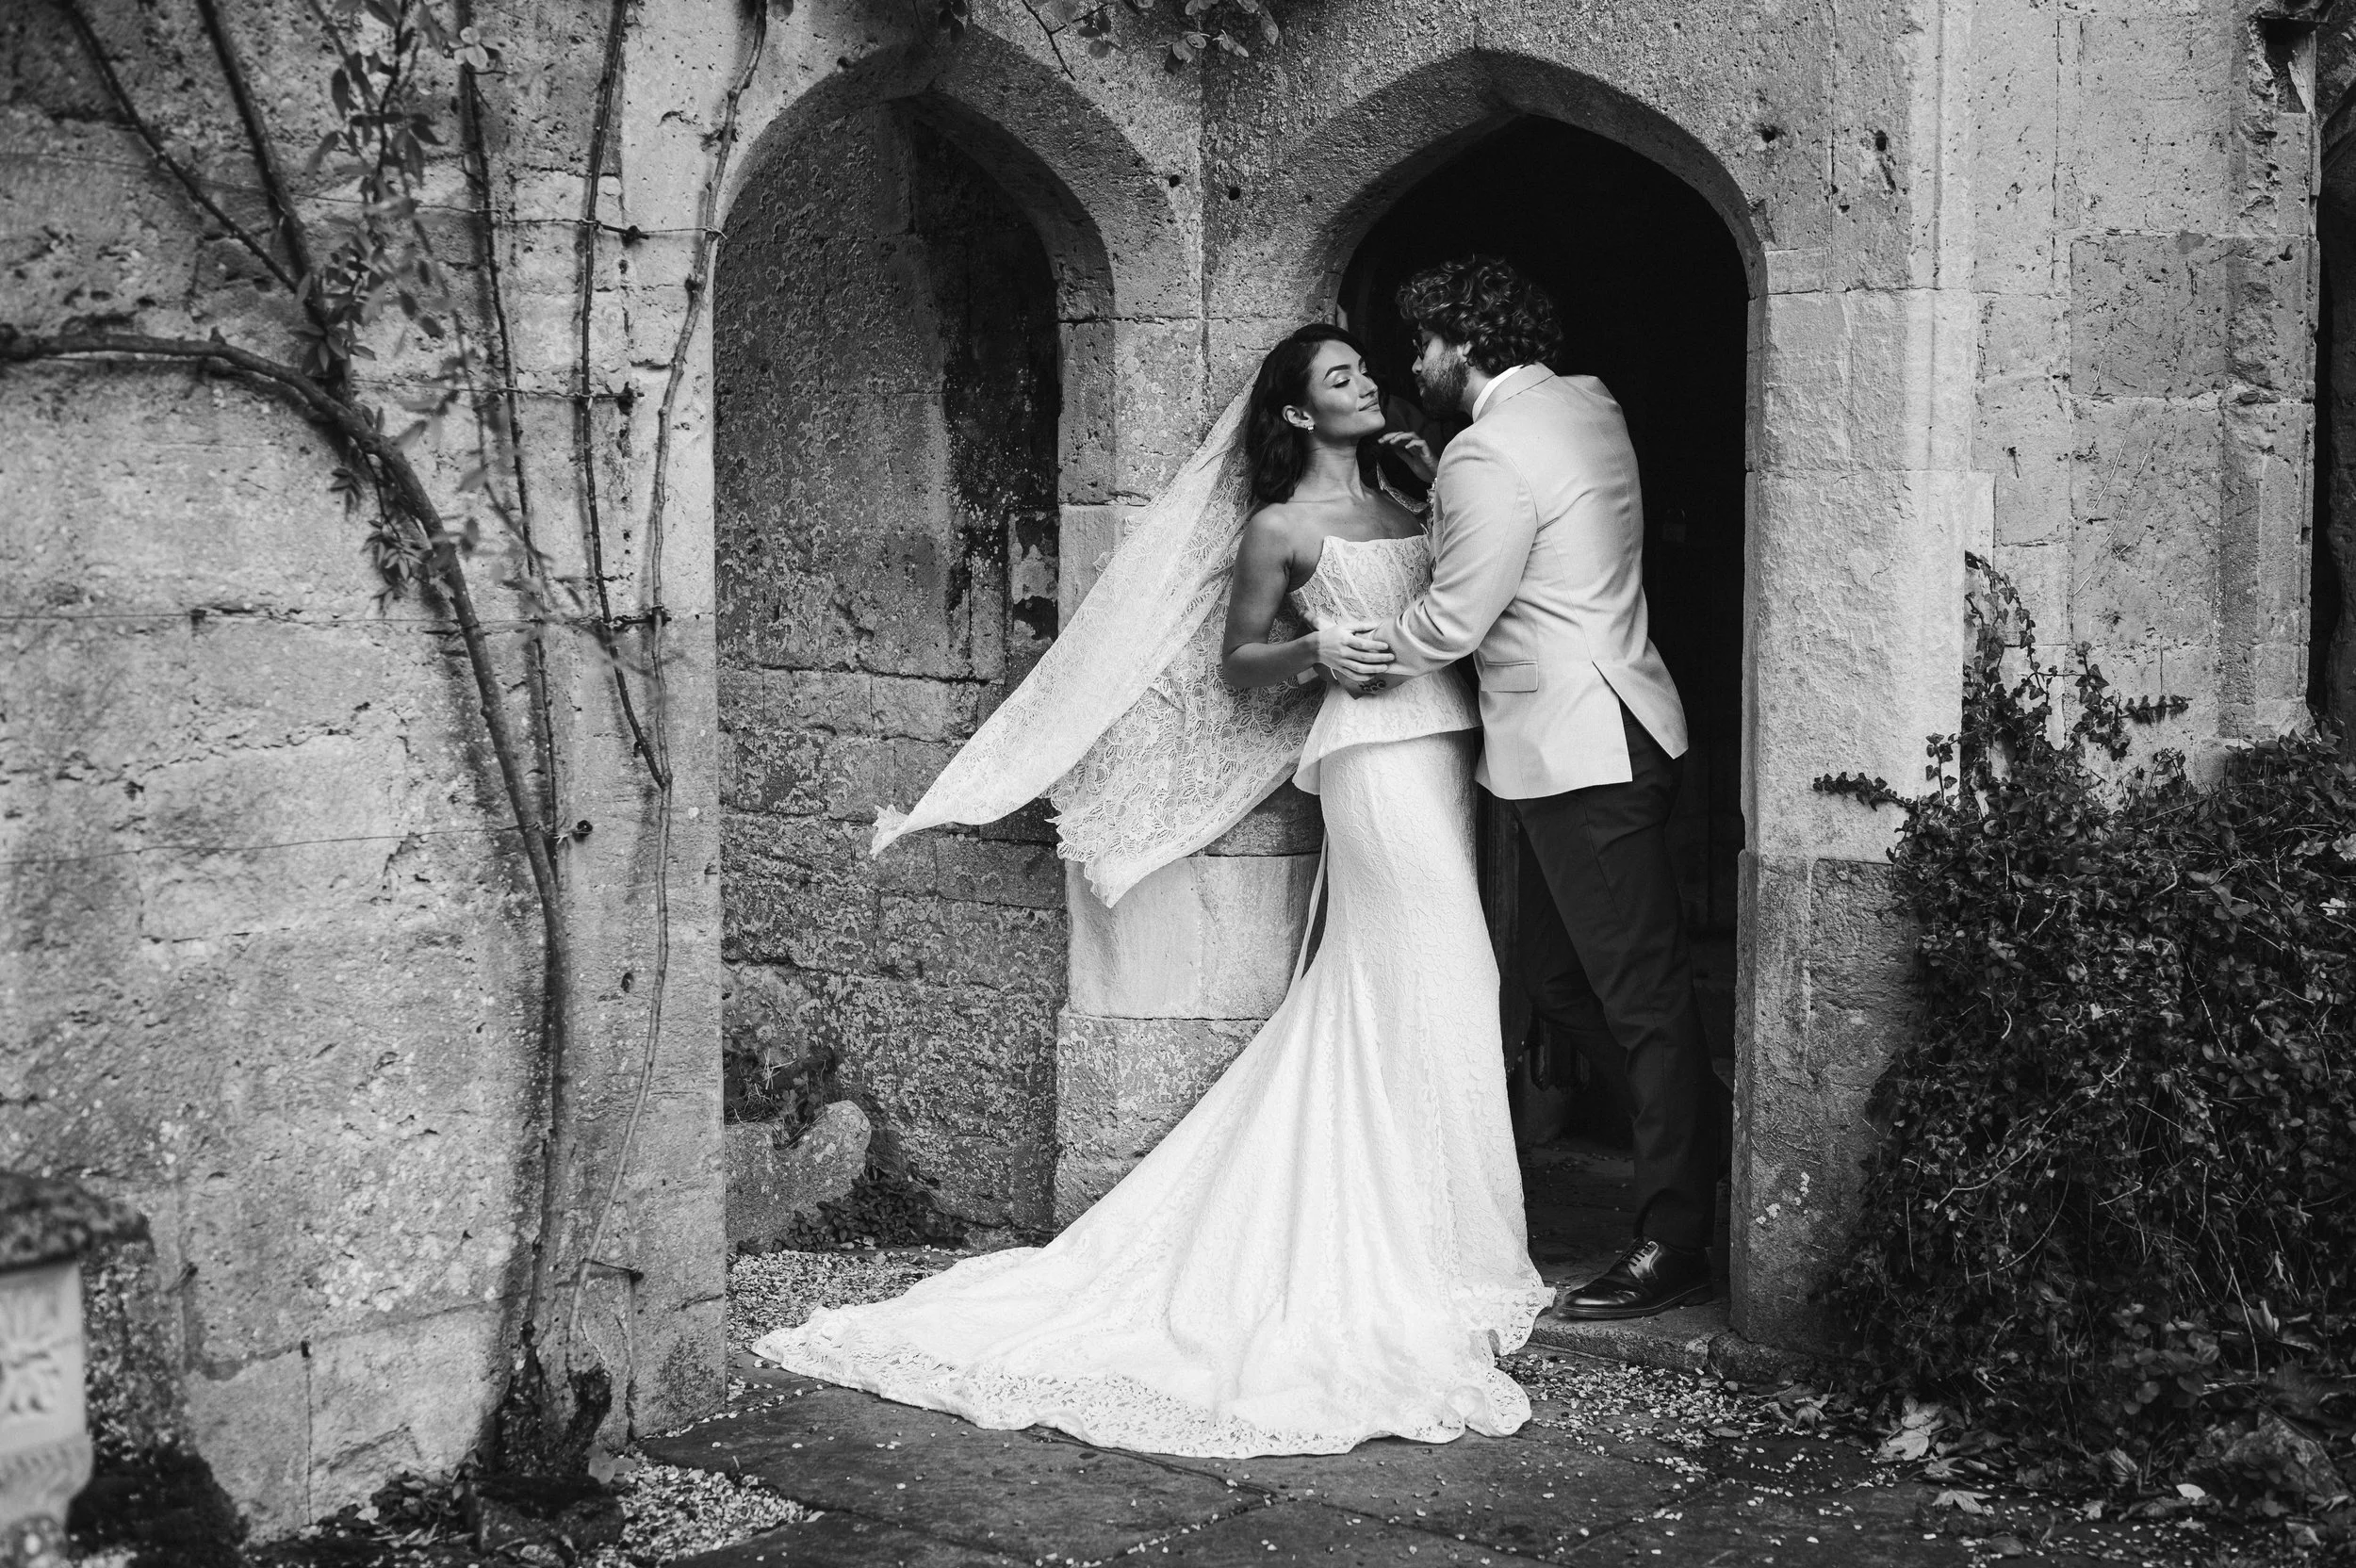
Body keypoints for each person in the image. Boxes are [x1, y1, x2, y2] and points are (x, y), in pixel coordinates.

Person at [747, 323, 1552, 1458]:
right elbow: (1241, 661)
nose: (1365, 382)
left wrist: (1424, 479)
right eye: (1339, 378)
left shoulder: (1414, 491)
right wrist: (1321, 655)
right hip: (1370, 760)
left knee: (1411, 984)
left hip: (1444, 751)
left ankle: (1436, 1233)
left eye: (1364, 370)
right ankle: (1427, 1247)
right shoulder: (1278, 527)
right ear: (1291, 415)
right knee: (1443, 966)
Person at [1355, 256, 1718, 1322]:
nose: (1411, 363)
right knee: (1564, 988)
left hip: (1575, 753)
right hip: (1622, 722)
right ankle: (1701, 1135)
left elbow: (1453, 622)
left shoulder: (1483, 456)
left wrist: (1350, 650)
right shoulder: (1586, 405)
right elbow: (1542, 528)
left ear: (1462, 345)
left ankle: (1673, 1236)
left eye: (1420, 343)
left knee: (1642, 1002)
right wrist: (1446, 487)